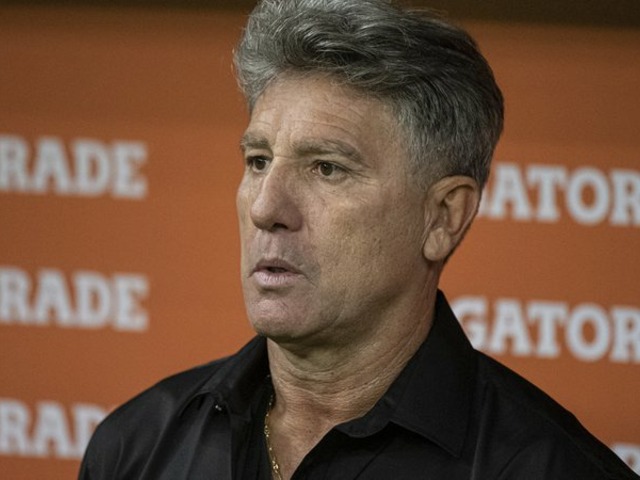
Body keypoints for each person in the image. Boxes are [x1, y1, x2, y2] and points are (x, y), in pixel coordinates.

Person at [79, 0, 638, 479]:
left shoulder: (549, 467)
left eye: (327, 168)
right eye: (258, 160)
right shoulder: (137, 445)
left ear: (443, 217)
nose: (266, 208)